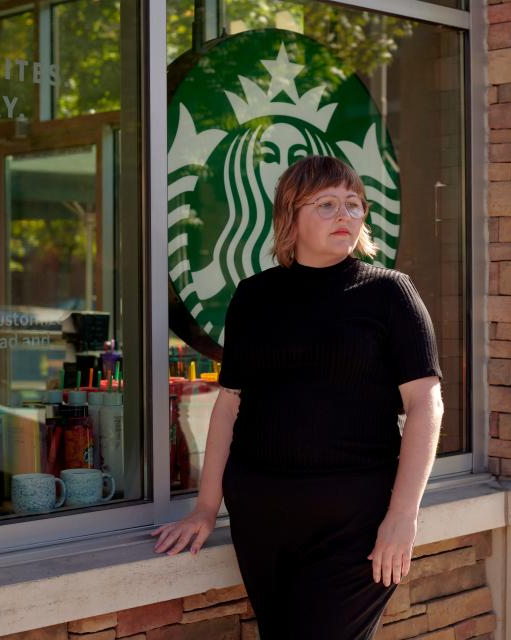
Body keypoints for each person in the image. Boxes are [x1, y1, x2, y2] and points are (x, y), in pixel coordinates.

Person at [151, 155, 444, 639]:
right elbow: (230, 404)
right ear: (291, 216)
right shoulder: (253, 297)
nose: (345, 215)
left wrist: (402, 518)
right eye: (327, 205)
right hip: (262, 519)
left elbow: (424, 407)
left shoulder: (391, 295)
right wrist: (206, 507)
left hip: (356, 522)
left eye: (354, 205)